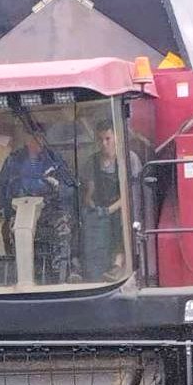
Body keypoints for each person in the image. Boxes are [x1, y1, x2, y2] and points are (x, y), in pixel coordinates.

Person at [0, 123, 76, 283]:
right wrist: (1, 207)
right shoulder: (13, 161)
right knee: (14, 229)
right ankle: (23, 277)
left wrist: (57, 186)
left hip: (49, 211)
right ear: (26, 139)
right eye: (32, 136)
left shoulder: (55, 160)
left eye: (39, 136)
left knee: (63, 225)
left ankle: (60, 276)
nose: (36, 140)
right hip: (19, 211)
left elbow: (70, 189)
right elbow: (0, 190)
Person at [83, 119, 142, 281]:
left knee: (124, 223)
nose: (104, 143)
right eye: (100, 139)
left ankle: (118, 265)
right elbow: (90, 190)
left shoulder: (129, 159)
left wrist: (110, 210)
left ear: (116, 137)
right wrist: (92, 205)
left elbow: (130, 193)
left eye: (108, 139)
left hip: (123, 206)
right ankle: (86, 268)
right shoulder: (92, 162)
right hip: (101, 207)